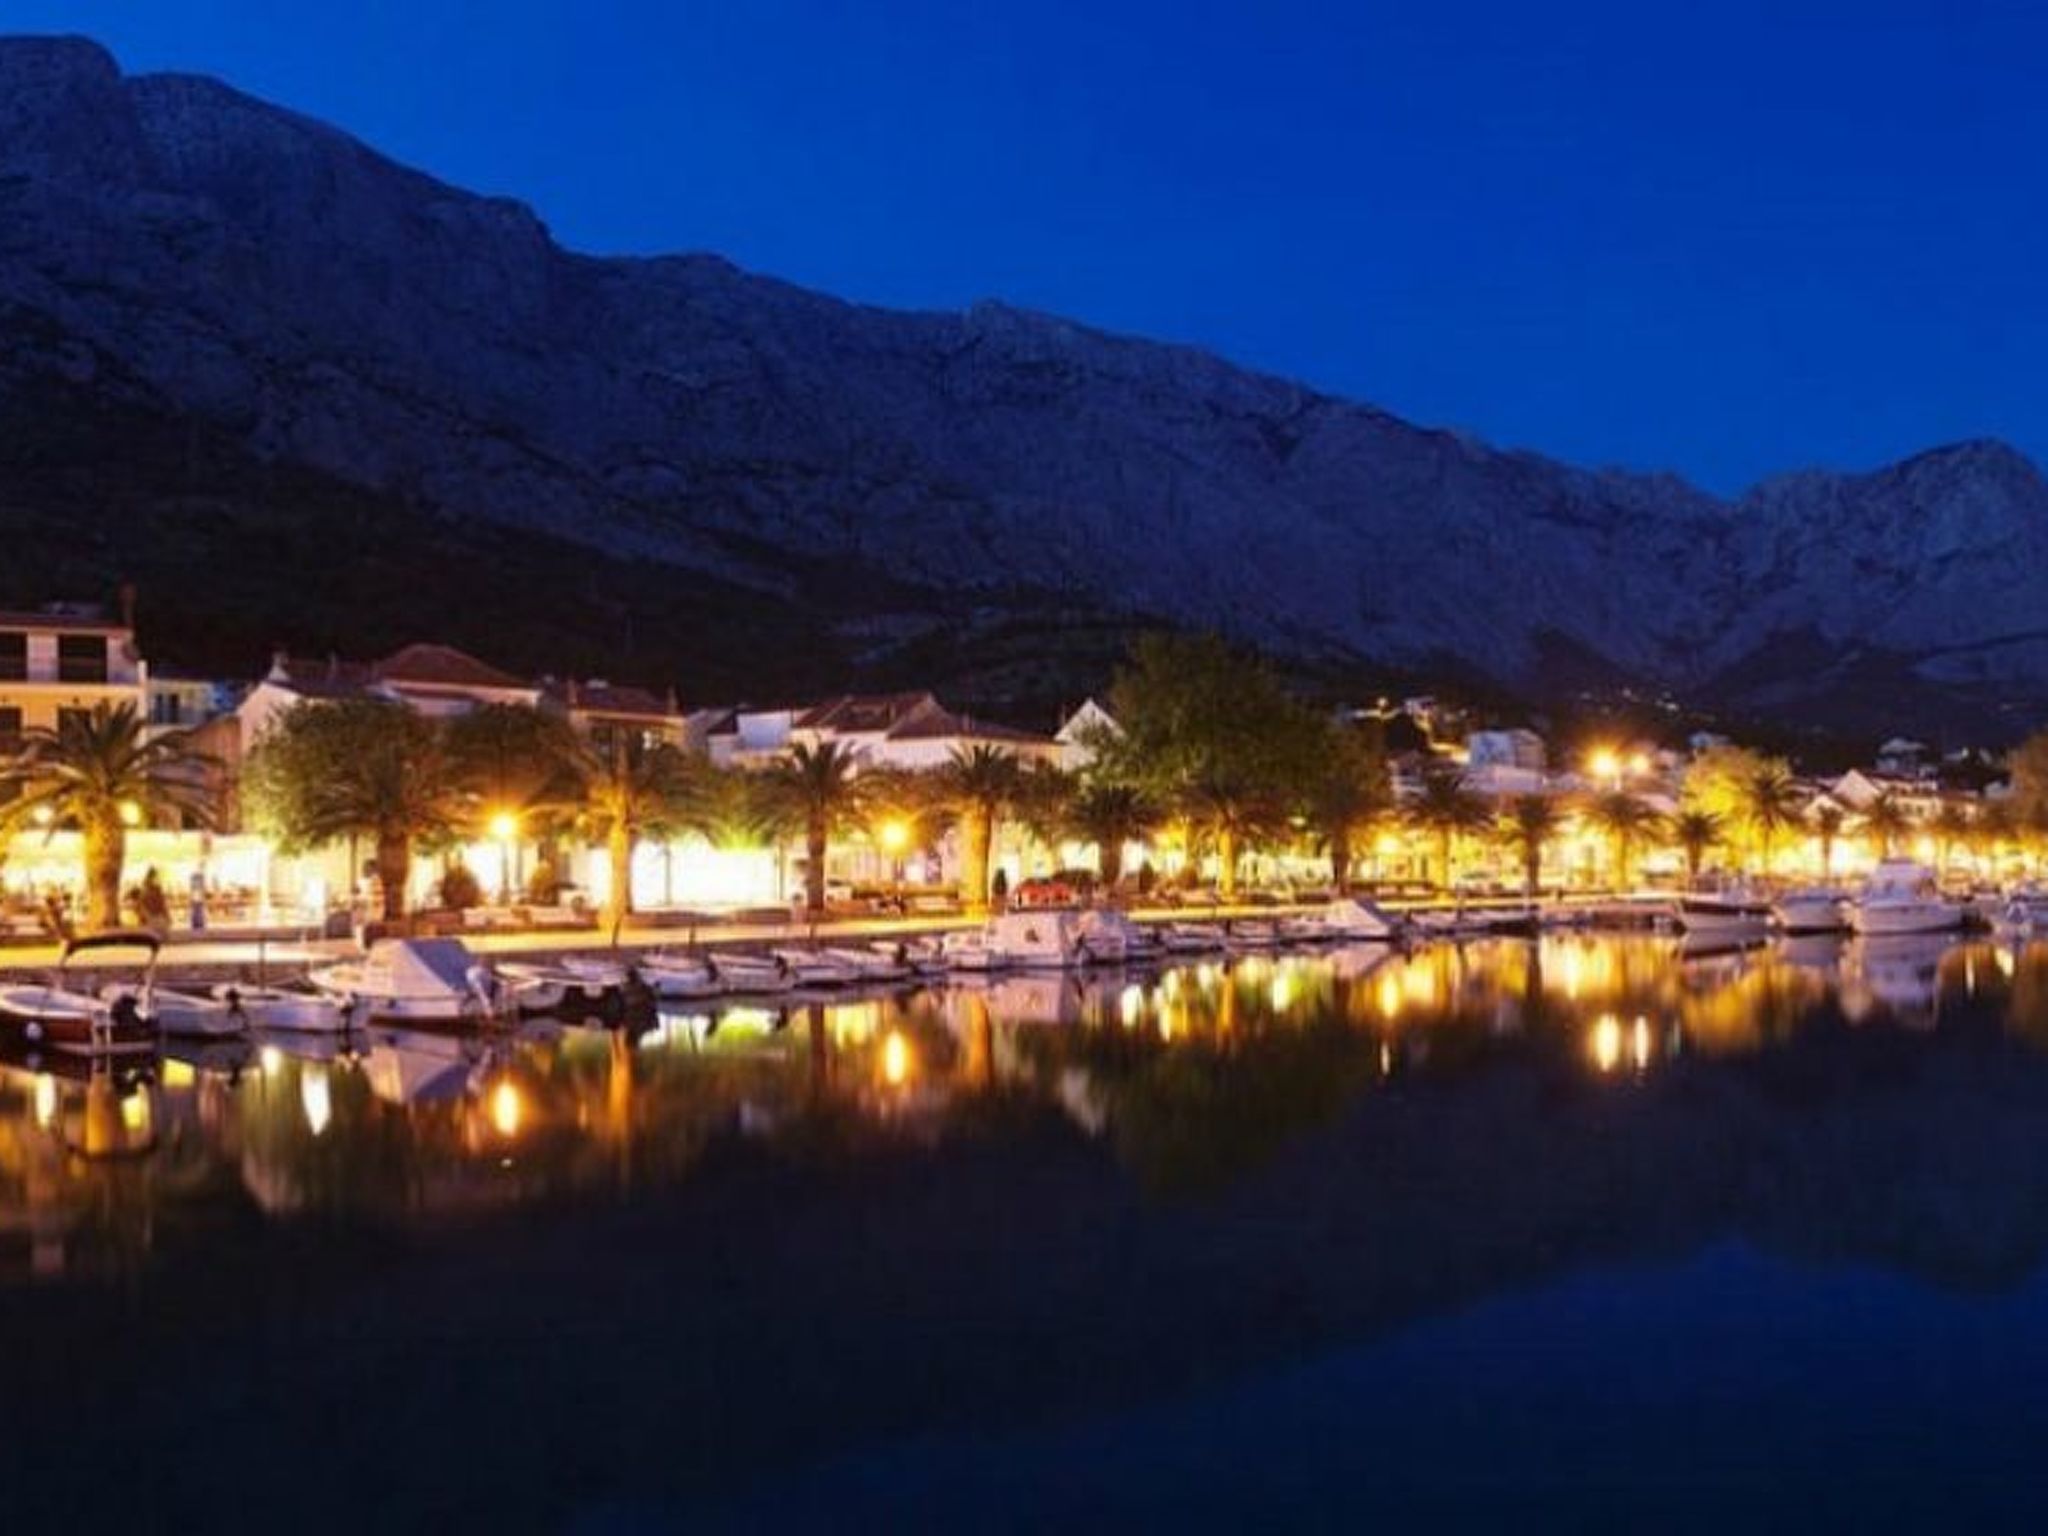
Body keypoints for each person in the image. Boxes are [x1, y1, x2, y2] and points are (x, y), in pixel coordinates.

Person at [137, 867, 172, 937]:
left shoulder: (154, 890)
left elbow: (162, 905)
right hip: (152, 920)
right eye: (155, 877)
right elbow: (142, 907)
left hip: (154, 920)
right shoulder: (147, 891)